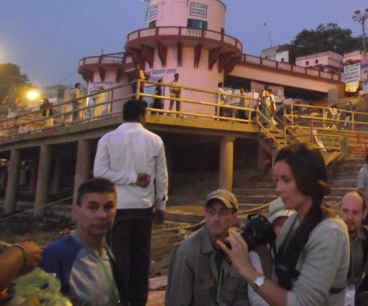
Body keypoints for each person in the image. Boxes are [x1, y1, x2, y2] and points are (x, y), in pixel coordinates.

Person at [219, 143, 350, 305]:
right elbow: (276, 282)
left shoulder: (330, 233)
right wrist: (260, 249)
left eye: (286, 180)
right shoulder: (293, 222)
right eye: (277, 180)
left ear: (307, 180)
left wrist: (249, 272)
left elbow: (302, 302)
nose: (278, 189)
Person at [93, 98, 169, 306]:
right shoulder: (155, 140)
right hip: (144, 208)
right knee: (141, 261)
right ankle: (138, 302)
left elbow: (100, 172)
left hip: (117, 209)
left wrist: (129, 178)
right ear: (141, 116)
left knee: (117, 260)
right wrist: (161, 205)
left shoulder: (107, 139)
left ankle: (119, 301)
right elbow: (161, 176)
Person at [40, 178, 125, 305]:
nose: (102, 215)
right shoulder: (55, 256)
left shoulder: (108, 252)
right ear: (76, 211)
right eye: (92, 207)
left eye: (108, 207)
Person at [165, 189, 248, 305]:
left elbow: (242, 296)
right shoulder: (187, 252)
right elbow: (178, 301)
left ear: (234, 217)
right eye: (211, 212)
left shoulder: (238, 247)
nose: (216, 218)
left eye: (223, 212)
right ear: (205, 215)